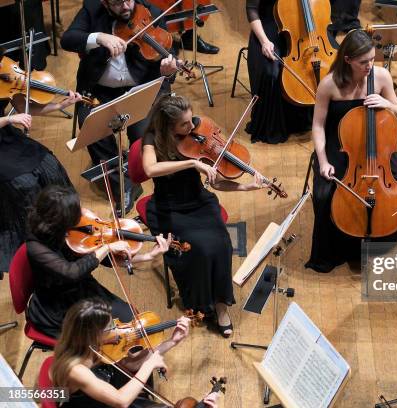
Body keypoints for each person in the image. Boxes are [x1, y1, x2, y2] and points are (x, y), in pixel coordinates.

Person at [141, 94, 265, 337]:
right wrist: (191, 164)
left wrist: (245, 187)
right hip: (170, 207)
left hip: (199, 202)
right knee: (198, 248)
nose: (192, 127)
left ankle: (220, 306)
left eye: (191, 120)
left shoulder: (197, 135)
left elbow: (217, 183)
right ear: (168, 125)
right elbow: (149, 169)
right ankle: (199, 302)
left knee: (222, 244)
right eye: (184, 124)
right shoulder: (152, 139)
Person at [305, 29, 397, 273]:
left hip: (379, 145)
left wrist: (386, 103)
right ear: (348, 60)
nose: (369, 66)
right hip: (342, 144)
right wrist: (323, 160)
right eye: (363, 62)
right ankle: (338, 250)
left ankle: (382, 238)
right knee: (325, 195)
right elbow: (318, 125)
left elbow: (396, 109)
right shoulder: (329, 84)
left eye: (372, 59)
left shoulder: (382, 76)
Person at [60, 0, 181, 213]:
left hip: (140, 89)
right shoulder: (92, 10)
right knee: (93, 129)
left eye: (129, 0)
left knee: (144, 134)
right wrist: (99, 37)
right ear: (105, 3)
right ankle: (123, 186)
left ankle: (147, 171)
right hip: (99, 91)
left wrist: (168, 71)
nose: (125, 6)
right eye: (117, 3)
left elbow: (169, 54)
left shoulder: (152, 13)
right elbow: (68, 39)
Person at [25, 185, 170, 338]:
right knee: (115, 336)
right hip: (61, 304)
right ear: (61, 219)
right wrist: (107, 247)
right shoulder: (36, 247)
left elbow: (104, 258)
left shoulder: (71, 228)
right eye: (76, 211)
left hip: (84, 287)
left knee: (130, 318)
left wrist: (147, 256)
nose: (82, 213)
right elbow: (72, 272)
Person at [51, 298, 219, 408]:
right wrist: (149, 364)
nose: (116, 330)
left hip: (111, 395)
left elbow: (130, 365)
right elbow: (121, 401)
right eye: (110, 328)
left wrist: (172, 342)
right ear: (91, 334)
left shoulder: (96, 346)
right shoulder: (76, 370)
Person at [0, 92, 81, 274]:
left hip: (6, 137)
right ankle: (39, 243)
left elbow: (24, 107)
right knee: (24, 185)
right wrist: (8, 119)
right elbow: (14, 115)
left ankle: (65, 221)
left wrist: (60, 106)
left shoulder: (5, 74)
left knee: (49, 165)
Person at [245, 0, 313, 144]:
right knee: (271, 72)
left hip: (297, 24)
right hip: (267, 28)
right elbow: (251, 10)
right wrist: (264, 41)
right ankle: (272, 125)